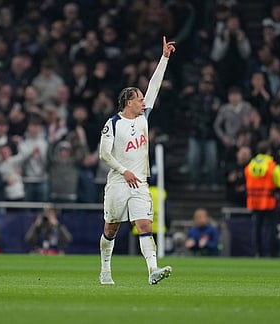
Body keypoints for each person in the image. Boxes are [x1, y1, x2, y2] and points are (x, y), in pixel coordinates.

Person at [98, 36, 175, 285]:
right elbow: (104, 154)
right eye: (140, 99)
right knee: (111, 229)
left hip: (140, 181)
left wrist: (164, 58)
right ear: (128, 102)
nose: (144, 101)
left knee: (144, 225)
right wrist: (124, 171)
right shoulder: (113, 124)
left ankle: (152, 270)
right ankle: (105, 270)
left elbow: (155, 86)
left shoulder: (143, 118)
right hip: (119, 182)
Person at [245, 140, 280, 257]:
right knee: (272, 230)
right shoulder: (272, 166)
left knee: (257, 229)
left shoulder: (249, 166)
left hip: (254, 202)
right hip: (270, 202)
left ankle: (258, 253)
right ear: (269, 151)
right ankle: (273, 254)